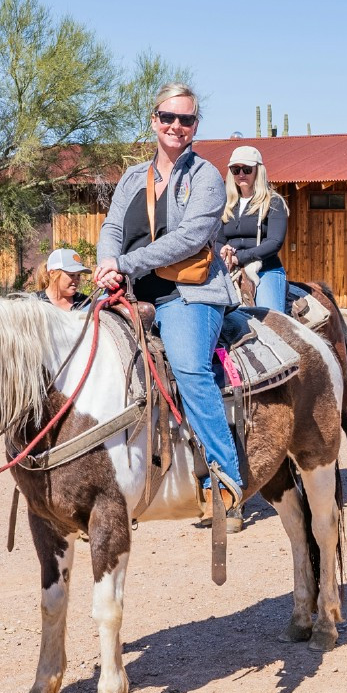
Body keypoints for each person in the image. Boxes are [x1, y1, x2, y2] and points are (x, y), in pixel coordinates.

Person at [94, 82, 243, 496]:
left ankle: (225, 479)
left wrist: (122, 263)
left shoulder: (207, 177)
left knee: (190, 368)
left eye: (186, 119)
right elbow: (112, 227)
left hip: (187, 294)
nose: (176, 126)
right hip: (130, 290)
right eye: (168, 117)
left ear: (195, 126)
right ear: (154, 120)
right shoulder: (130, 177)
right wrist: (107, 265)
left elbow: (189, 240)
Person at [216, 145, 290, 312]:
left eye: (247, 169)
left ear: (258, 171)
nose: (241, 174)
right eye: (235, 169)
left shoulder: (273, 202)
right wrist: (222, 251)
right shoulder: (226, 204)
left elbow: (274, 242)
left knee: (270, 319)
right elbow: (218, 239)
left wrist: (239, 257)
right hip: (229, 268)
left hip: (265, 269)